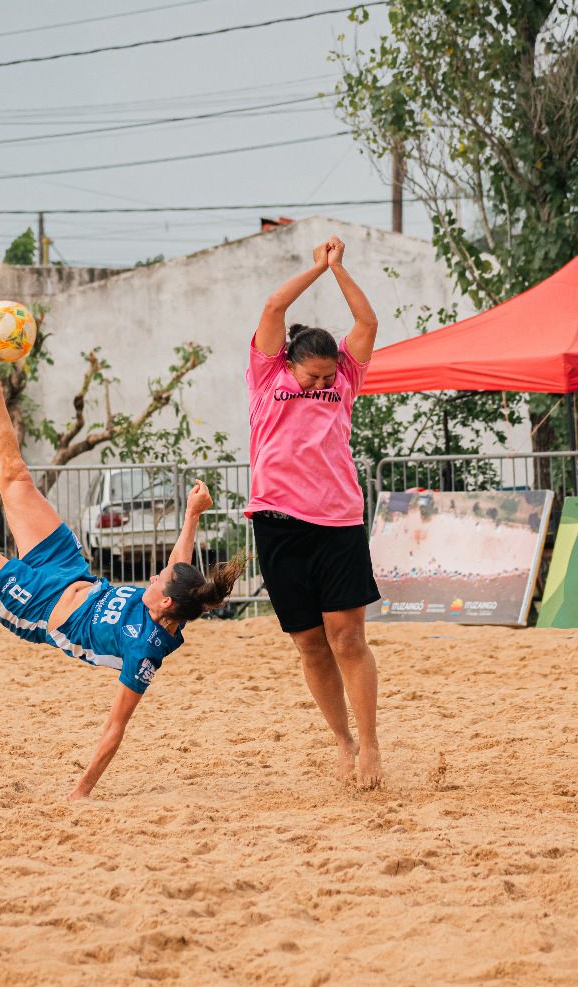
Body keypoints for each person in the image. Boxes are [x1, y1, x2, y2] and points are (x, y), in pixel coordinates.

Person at [0, 346, 242, 801]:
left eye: (156, 582)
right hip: (67, 568)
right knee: (15, 475)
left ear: (166, 604)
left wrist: (81, 792)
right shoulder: (173, 597)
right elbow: (178, 566)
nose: (151, 579)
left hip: (35, 605)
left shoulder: (144, 653)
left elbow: (115, 728)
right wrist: (193, 514)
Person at [248, 235, 383, 789]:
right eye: (315, 376)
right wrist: (314, 270)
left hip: (338, 521)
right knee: (309, 643)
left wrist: (339, 270)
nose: (324, 383)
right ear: (292, 362)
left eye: (330, 376)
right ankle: (343, 743)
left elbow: (368, 323)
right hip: (278, 523)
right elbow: (275, 308)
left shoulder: (347, 376)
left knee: (347, 638)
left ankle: (371, 745)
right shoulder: (267, 374)